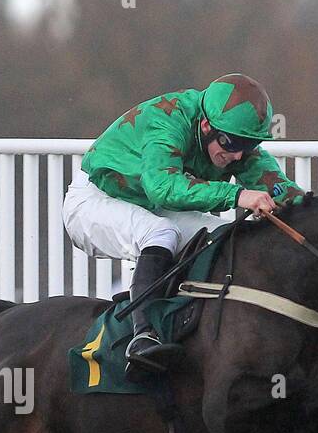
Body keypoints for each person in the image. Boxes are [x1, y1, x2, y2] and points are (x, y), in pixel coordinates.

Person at [63, 72, 302, 380]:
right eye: (231, 144)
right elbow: (161, 187)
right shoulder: (169, 118)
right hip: (94, 200)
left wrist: (313, 209)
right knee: (161, 233)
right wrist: (238, 195)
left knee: (222, 236)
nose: (238, 155)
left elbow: (279, 187)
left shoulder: (231, 138)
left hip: (150, 203)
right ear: (205, 126)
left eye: (249, 144)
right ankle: (143, 335)